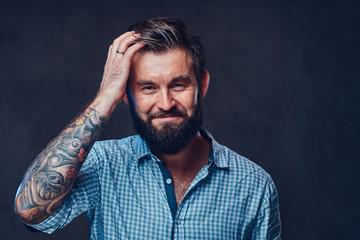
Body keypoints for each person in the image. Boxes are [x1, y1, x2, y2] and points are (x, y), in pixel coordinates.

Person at [15, 17, 281, 239]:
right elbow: (31, 210)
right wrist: (105, 97)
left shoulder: (254, 186)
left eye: (179, 85)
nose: (165, 103)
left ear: (203, 85)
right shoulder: (104, 165)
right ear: (127, 95)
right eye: (148, 87)